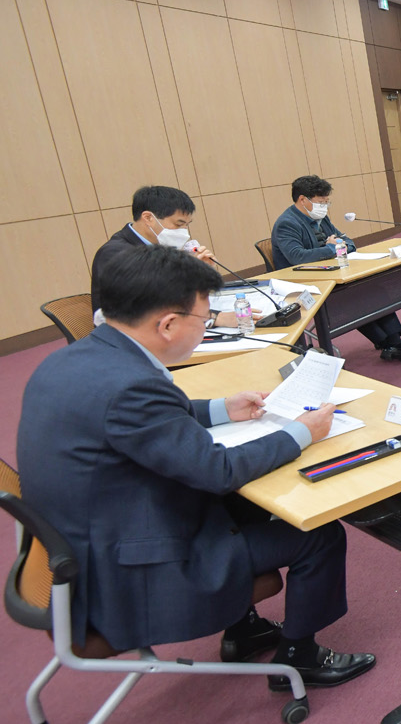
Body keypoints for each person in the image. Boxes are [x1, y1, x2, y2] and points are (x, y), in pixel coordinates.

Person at [17, 247, 374, 686]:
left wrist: (222, 408)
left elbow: (145, 421)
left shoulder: (79, 358)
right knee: (317, 533)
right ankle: (300, 657)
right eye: (205, 320)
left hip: (91, 534)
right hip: (124, 572)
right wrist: (300, 433)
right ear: (167, 324)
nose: (206, 328)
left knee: (247, 506)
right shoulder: (132, 386)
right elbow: (217, 471)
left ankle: (243, 631)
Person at [271, 175, 401, 362]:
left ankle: (393, 343)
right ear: (303, 200)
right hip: (304, 284)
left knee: (373, 289)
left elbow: (349, 243)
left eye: (327, 202)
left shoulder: (321, 218)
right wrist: (332, 248)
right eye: (321, 202)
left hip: (330, 273)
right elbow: (298, 257)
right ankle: (390, 344)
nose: (324, 207)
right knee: (355, 297)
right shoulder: (287, 223)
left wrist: (338, 245)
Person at [91, 185, 217, 315]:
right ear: (148, 218)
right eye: (178, 224)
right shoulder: (115, 253)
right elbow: (151, 301)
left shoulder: (161, 246)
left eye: (186, 225)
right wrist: (212, 317)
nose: (184, 231)